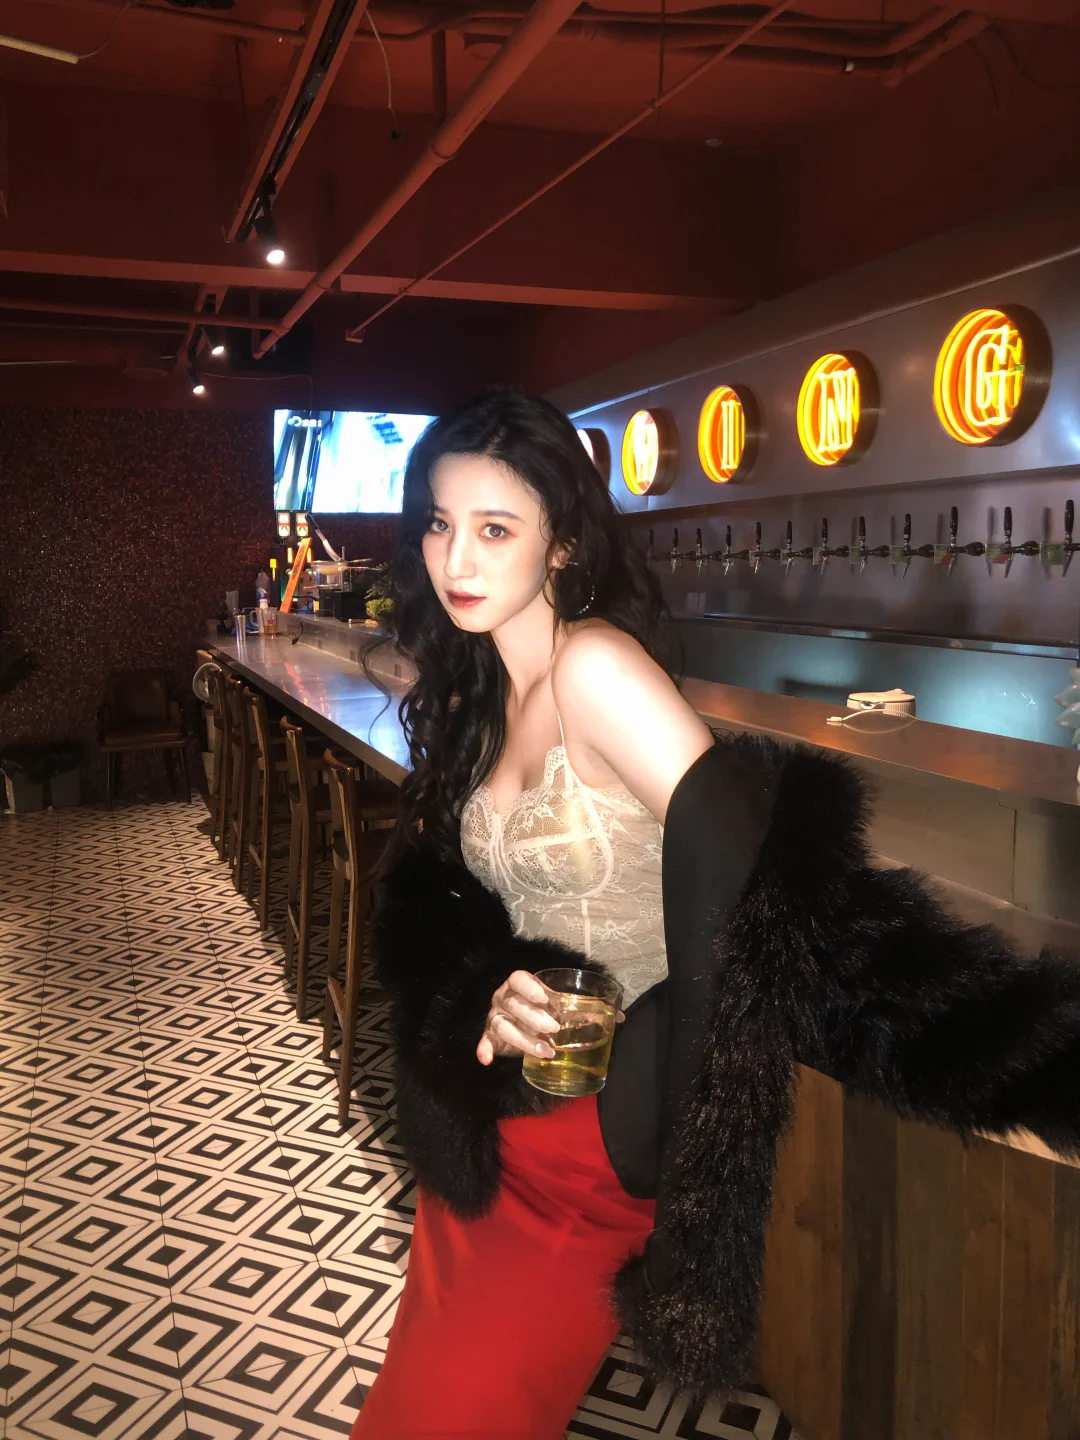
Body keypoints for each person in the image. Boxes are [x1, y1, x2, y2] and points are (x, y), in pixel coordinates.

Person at [353, 389, 1080, 1436]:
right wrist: (484, 993)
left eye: (495, 528)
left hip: (594, 1142)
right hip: (499, 1122)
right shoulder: (479, 688)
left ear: (562, 544)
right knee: (420, 1400)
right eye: (439, 522)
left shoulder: (595, 669)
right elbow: (462, 905)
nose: (455, 558)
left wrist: (689, 1140)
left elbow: (749, 873)